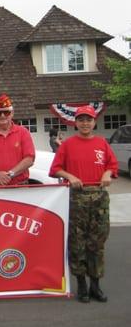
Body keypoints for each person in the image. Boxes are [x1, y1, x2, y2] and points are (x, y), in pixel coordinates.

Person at [49, 105, 118, 303]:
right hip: (77, 197)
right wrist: (70, 176)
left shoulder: (102, 143)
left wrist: (106, 174)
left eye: (88, 119)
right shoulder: (68, 145)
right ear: (75, 123)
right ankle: (82, 286)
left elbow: (112, 166)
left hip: (99, 198)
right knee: (77, 243)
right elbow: (56, 169)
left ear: (94, 122)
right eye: (81, 120)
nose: (85, 123)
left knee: (97, 243)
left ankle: (96, 285)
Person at [0, 94, 35, 185]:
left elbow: (29, 159)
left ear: (12, 113)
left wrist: (10, 174)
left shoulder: (23, 132)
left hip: (20, 186)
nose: (3, 116)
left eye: (6, 112)